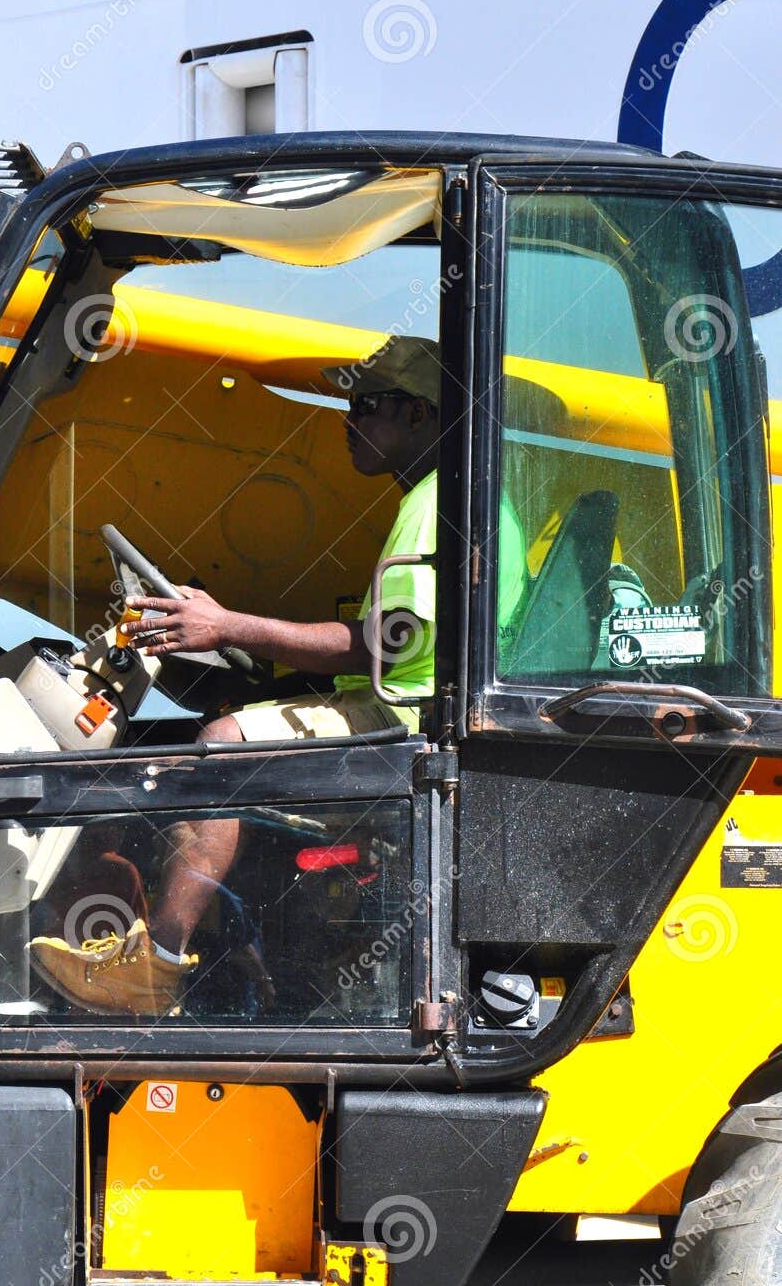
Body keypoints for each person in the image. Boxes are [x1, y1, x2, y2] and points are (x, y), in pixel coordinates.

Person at [31, 334, 526, 1016]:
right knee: (232, 719)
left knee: (224, 743)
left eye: (368, 406)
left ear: (418, 416)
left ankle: (155, 966)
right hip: (410, 706)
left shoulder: (438, 503)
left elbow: (373, 645)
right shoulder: (451, 496)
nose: (349, 422)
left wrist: (226, 625)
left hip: (409, 721)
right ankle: (213, 956)